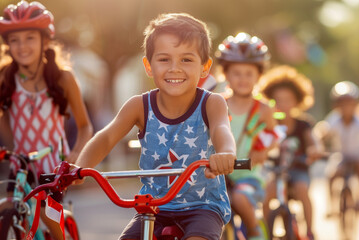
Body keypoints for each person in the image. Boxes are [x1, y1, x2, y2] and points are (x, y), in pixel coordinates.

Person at [73, 13, 236, 240]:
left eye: (186, 60)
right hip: (153, 207)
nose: (174, 68)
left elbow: (221, 130)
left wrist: (226, 154)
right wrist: (79, 168)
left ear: (205, 67)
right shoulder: (139, 106)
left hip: (203, 206)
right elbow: (107, 137)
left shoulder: (211, 102)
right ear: (149, 66)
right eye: (164, 59)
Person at [0, 1, 93, 239]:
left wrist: (74, 157)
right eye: (15, 40)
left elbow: (85, 126)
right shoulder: (6, 78)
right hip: (20, 166)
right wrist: (11, 150)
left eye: (30, 38)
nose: (22, 46)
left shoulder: (62, 78)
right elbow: (3, 119)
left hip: (53, 165)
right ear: (7, 44)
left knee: (48, 215)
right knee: (5, 211)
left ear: (45, 41)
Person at [215, 32, 277, 240]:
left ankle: (254, 231)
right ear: (226, 74)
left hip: (248, 175)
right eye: (237, 73)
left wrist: (263, 151)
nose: (243, 79)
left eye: (249, 74)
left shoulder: (263, 109)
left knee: (241, 198)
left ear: (259, 76)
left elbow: (273, 134)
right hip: (217, 175)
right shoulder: (217, 104)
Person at [259, 65, 322, 239]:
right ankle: (264, 233)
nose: (283, 104)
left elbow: (313, 141)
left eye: (288, 99)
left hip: (298, 169)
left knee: (302, 189)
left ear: (297, 101)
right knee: (265, 196)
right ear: (270, 101)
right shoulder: (268, 124)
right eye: (278, 100)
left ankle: (309, 232)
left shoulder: (303, 124)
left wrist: (314, 150)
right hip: (275, 171)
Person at [315, 81, 359, 216]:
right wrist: (320, 147)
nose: (346, 107)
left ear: (355, 104)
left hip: (358, 155)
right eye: (342, 103)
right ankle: (332, 205)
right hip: (340, 156)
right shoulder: (334, 119)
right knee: (332, 175)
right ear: (336, 105)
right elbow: (323, 132)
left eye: (349, 103)